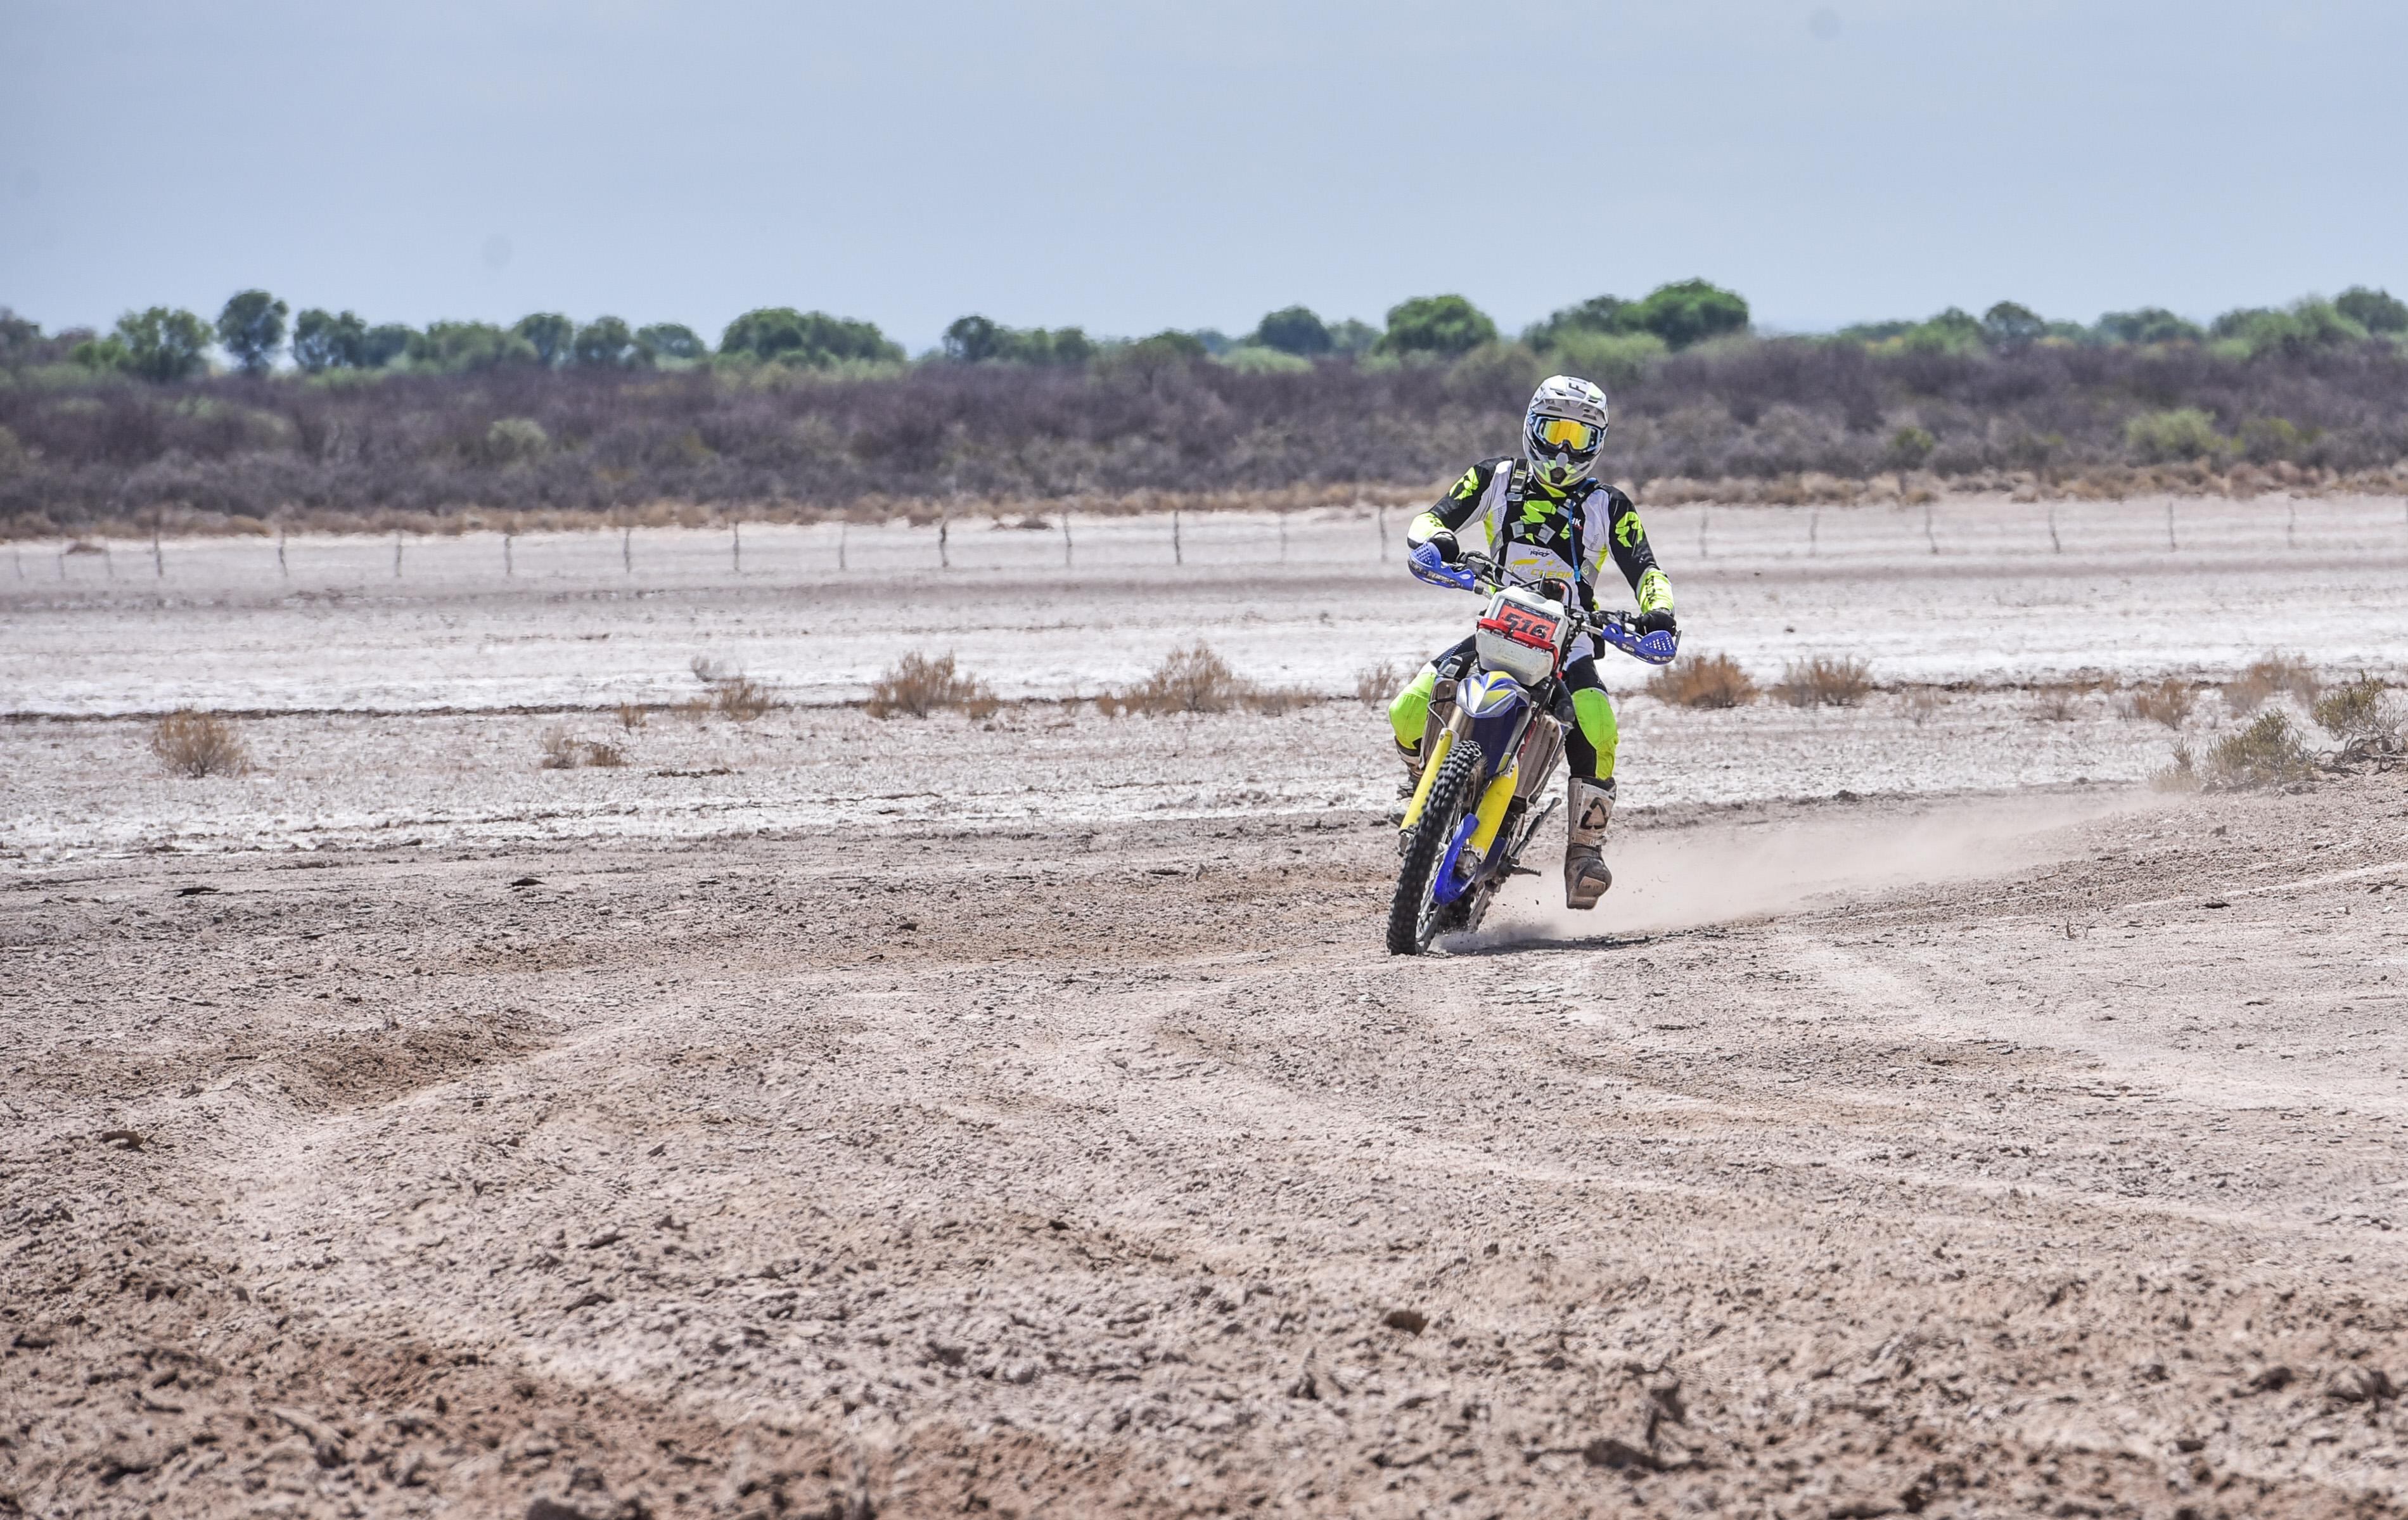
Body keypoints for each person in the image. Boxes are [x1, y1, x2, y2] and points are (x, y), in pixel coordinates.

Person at [1385, 374, 1676, 909]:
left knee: (1600, 729)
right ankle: (1425, 793)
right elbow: (1433, 517)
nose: (1564, 449)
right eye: (1555, 431)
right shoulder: (1494, 477)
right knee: (1407, 708)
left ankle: (1584, 853)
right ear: (1531, 428)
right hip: (1498, 630)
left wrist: (1659, 614)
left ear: (1598, 444)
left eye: (1579, 437)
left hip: (1571, 647)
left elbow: (1647, 570)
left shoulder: (1609, 505)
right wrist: (1434, 542)